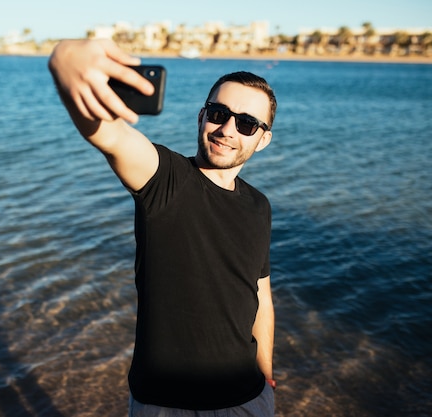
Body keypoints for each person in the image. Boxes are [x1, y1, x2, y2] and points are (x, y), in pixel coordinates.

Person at [48, 39, 277, 416]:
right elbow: (111, 136)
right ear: (201, 116)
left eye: (247, 123)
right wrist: (63, 61)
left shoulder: (258, 205)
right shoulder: (165, 178)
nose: (227, 129)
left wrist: (266, 375)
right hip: (164, 403)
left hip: (247, 400)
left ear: (263, 139)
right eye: (218, 112)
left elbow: (260, 295)